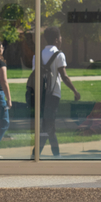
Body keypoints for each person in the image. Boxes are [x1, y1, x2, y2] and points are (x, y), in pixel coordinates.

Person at [31, 26, 80, 158]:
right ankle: (38, 154)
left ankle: (53, 154)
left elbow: (34, 76)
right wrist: (75, 91)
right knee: (49, 125)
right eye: (60, 37)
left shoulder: (37, 55)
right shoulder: (59, 55)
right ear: (57, 40)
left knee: (48, 124)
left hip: (40, 95)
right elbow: (64, 76)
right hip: (53, 95)